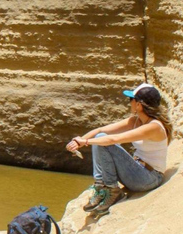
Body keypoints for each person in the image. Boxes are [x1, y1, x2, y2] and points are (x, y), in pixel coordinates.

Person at [66, 83, 173, 215]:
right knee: (100, 137)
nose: (129, 103)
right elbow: (101, 130)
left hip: (149, 178)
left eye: (131, 100)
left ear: (139, 105)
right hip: (136, 171)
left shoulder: (154, 127)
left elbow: (113, 140)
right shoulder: (136, 121)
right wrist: (78, 141)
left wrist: (86, 142)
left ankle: (113, 191)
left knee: (102, 140)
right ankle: (101, 187)